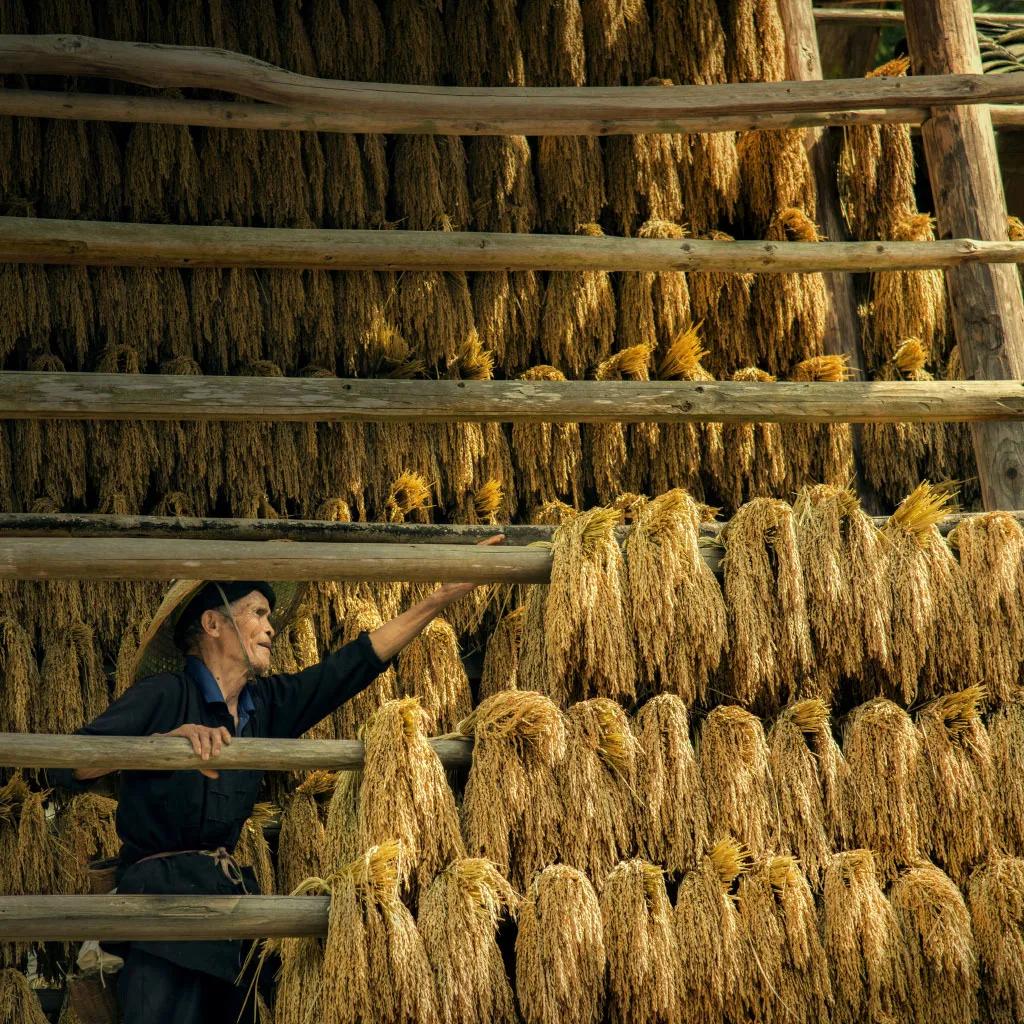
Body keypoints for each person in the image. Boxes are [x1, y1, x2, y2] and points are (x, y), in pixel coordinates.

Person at [48, 537, 501, 1024]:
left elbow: (348, 668)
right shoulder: (164, 695)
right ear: (213, 622)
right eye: (258, 613)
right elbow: (68, 765)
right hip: (159, 909)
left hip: (227, 910)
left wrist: (436, 600)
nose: (270, 628)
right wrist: (163, 744)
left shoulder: (266, 706)